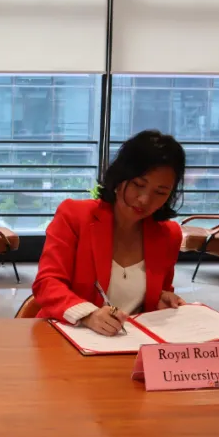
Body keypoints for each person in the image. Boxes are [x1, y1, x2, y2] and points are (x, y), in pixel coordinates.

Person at [32, 129, 186, 336]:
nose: (144, 200)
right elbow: (47, 283)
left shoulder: (169, 235)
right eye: (139, 185)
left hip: (129, 346)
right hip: (68, 340)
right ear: (120, 177)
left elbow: (156, 294)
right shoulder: (75, 216)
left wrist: (163, 298)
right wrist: (87, 315)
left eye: (160, 192)